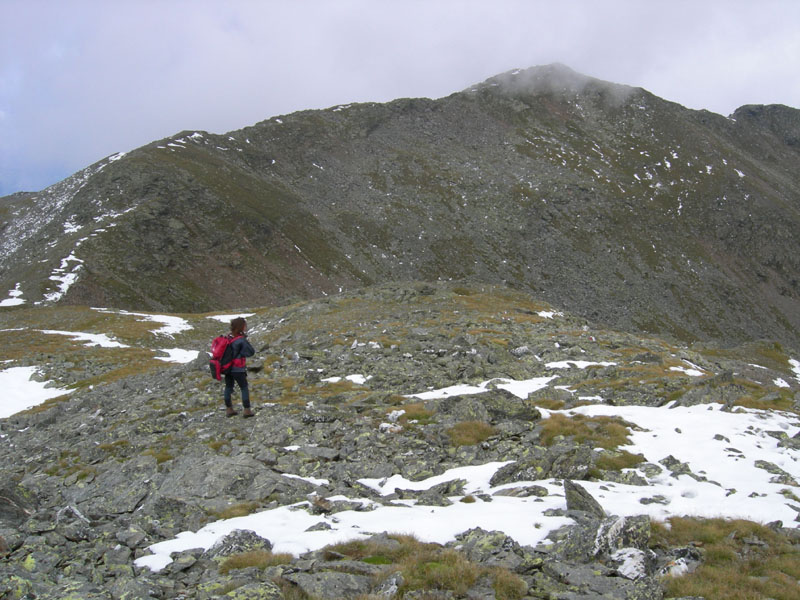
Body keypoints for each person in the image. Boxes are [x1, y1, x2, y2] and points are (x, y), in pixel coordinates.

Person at [224, 317, 256, 417]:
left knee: (228, 387)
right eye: (245, 325)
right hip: (238, 368)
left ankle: (229, 409)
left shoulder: (227, 337)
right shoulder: (241, 340)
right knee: (243, 387)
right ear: (241, 327)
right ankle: (247, 410)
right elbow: (251, 352)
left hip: (227, 368)